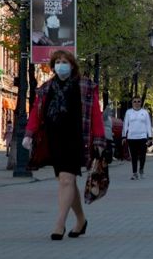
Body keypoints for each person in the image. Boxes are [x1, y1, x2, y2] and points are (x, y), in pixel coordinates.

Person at [22, 50, 105, 240]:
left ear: (72, 65)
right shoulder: (46, 88)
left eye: (65, 61)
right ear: (53, 66)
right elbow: (36, 111)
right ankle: (81, 220)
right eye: (57, 62)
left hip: (76, 139)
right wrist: (29, 134)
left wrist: (99, 139)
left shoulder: (85, 85)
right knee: (67, 181)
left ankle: (59, 224)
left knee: (66, 179)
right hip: (54, 139)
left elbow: (95, 114)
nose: (61, 65)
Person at [122, 97, 153, 180]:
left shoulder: (145, 112)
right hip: (131, 137)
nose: (136, 103)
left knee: (142, 155)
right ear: (132, 103)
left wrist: (150, 137)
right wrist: (124, 136)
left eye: (138, 101)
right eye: (134, 101)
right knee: (134, 156)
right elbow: (125, 124)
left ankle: (141, 169)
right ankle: (134, 173)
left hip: (143, 137)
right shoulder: (128, 112)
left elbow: (148, 125)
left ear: (141, 103)